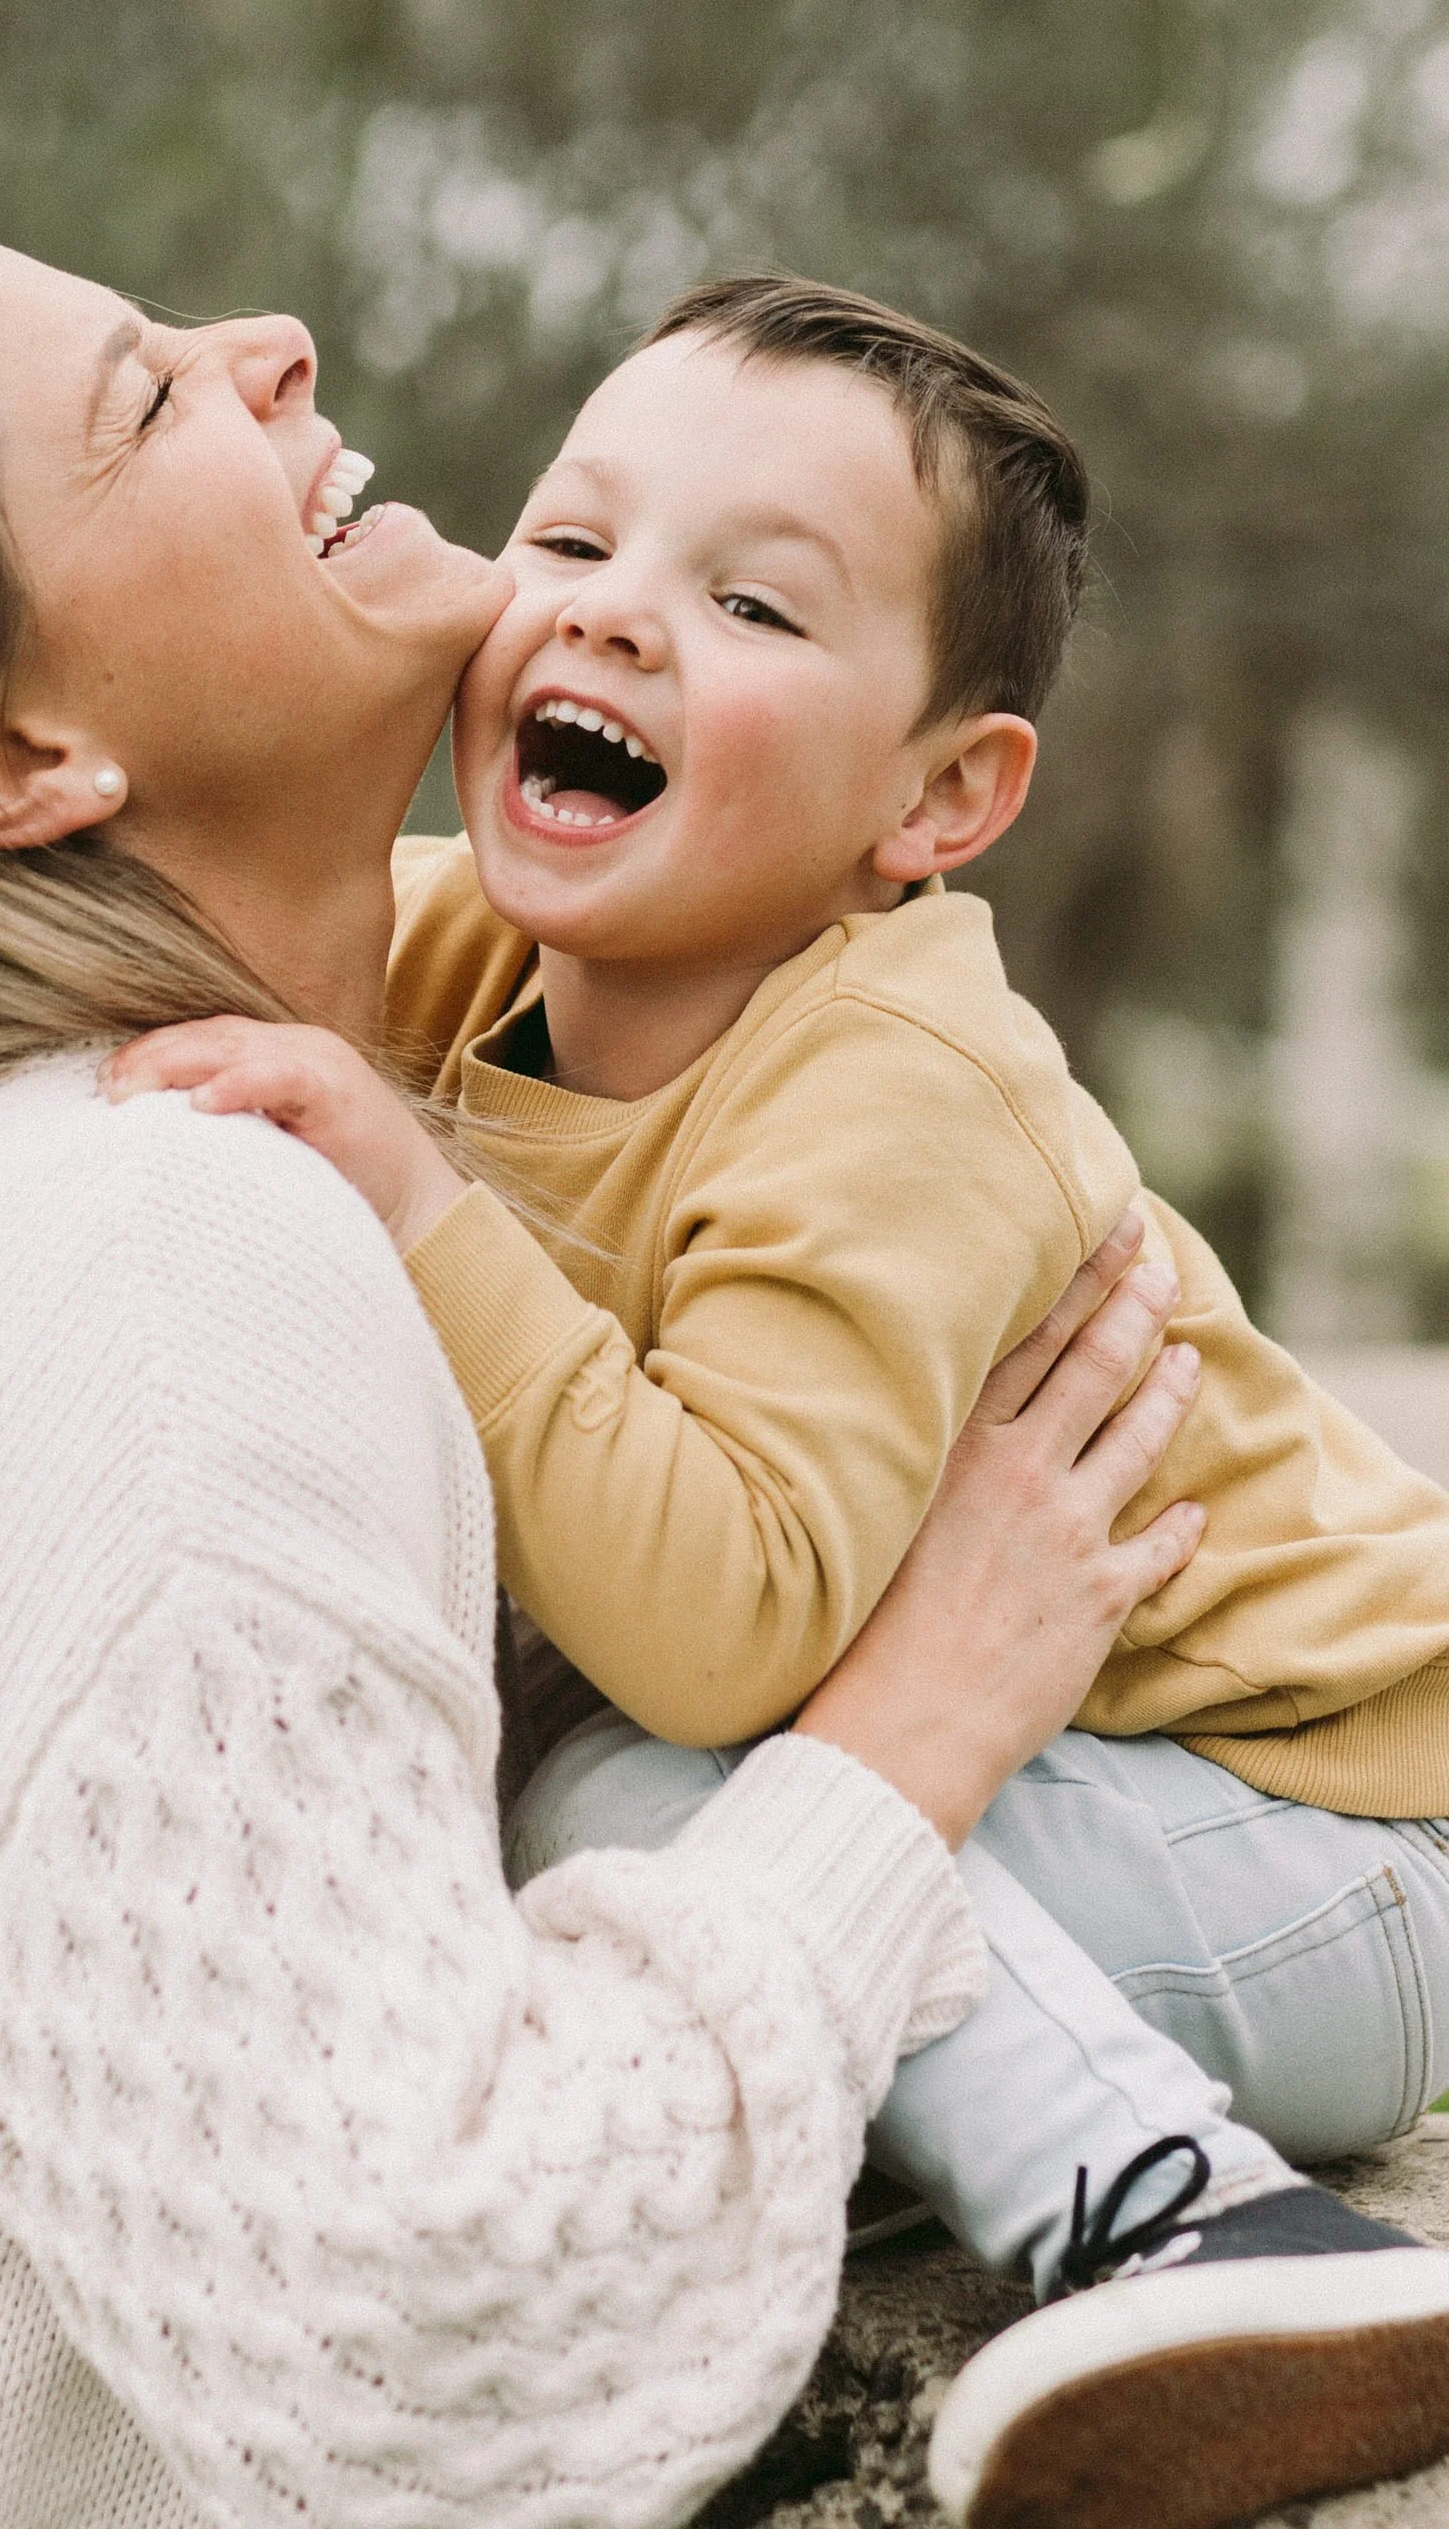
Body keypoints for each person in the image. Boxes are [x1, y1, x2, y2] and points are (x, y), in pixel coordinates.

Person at [0, 213, 1213, 2529]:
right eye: (144, 399)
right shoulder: (167, 1255)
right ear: (4, 760)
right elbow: (425, 2339)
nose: (269, 341)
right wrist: (911, 1732)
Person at [104, 273, 1449, 2527]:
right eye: (571, 542)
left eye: (747, 602)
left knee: (642, 1795)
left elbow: (723, 1626)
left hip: (1340, 1827)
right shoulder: (475, 953)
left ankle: (1195, 2217)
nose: (615, 621)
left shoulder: (896, 1076)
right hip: (1094, 1809)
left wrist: (413, 1197)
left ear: (937, 798)